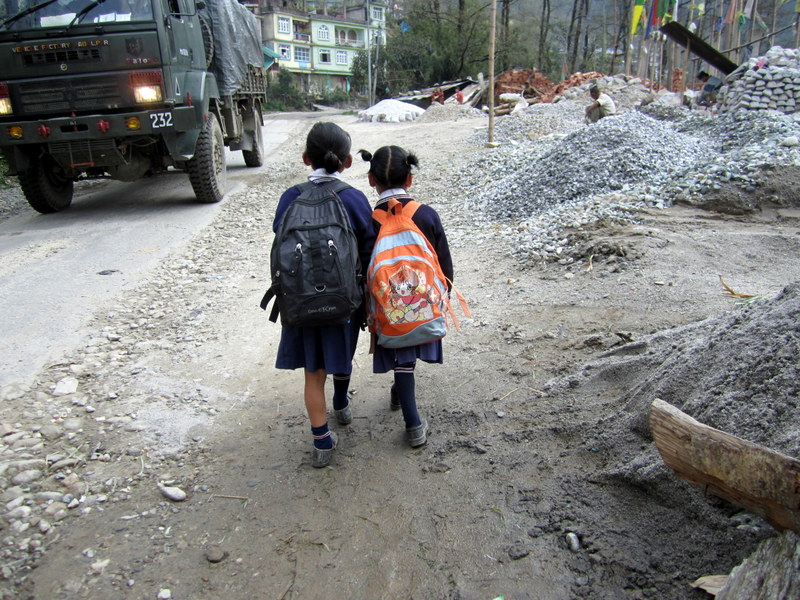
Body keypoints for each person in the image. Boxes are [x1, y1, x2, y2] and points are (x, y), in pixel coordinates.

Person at [273, 122, 376, 468]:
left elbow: (280, 236)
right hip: (344, 301)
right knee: (341, 355)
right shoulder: (353, 197)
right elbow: (367, 249)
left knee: (312, 373)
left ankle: (321, 442)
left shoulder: (291, 196)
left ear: (306, 158)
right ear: (347, 162)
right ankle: (343, 404)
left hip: (300, 301)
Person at [358, 145, 455, 448]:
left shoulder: (369, 220)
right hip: (423, 305)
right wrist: (441, 298)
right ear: (410, 179)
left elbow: (363, 268)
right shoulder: (425, 215)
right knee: (407, 359)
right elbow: (445, 266)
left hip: (388, 309)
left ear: (372, 179)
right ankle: (413, 424)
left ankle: (402, 395)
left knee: (401, 355)